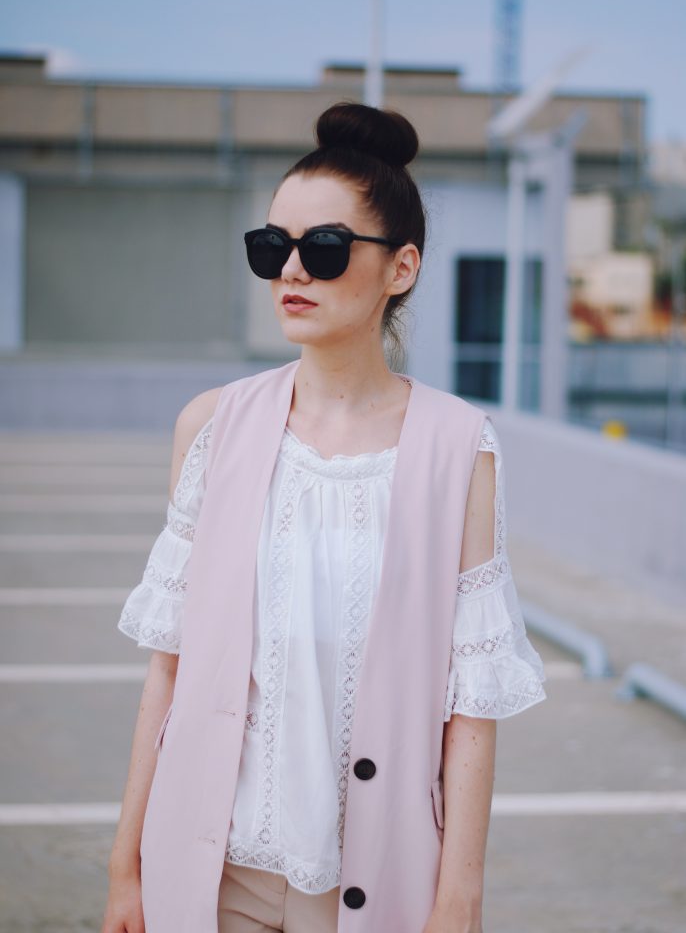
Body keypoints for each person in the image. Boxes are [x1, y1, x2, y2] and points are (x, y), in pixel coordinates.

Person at [102, 101, 547, 933]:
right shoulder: (212, 426)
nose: (292, 272)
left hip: (375, 881)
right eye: (272, 248)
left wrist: (460, 900)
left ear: (401, 268)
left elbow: (472, 710)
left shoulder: (461, 448)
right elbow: (167, 672)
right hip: (209, 872)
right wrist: (125, 865)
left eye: (325, 248)